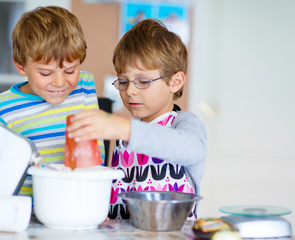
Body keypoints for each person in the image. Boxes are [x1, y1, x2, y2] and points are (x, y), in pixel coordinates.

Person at [67, 18, 206, 219]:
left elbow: (192, 149)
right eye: (123, 81)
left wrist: (125, 129)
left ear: (175, 82)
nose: (130, 91)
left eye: (142, 81)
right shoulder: (124, 135)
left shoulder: (183, 123)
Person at [0, 6, 105, 196]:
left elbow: (94, 151)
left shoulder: (84, 85)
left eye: (70, 70)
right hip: (21, 210)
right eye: (45, 73)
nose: (59, 82)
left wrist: (94, 198)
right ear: (21, 66)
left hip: (73, 204)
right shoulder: (3, 108)